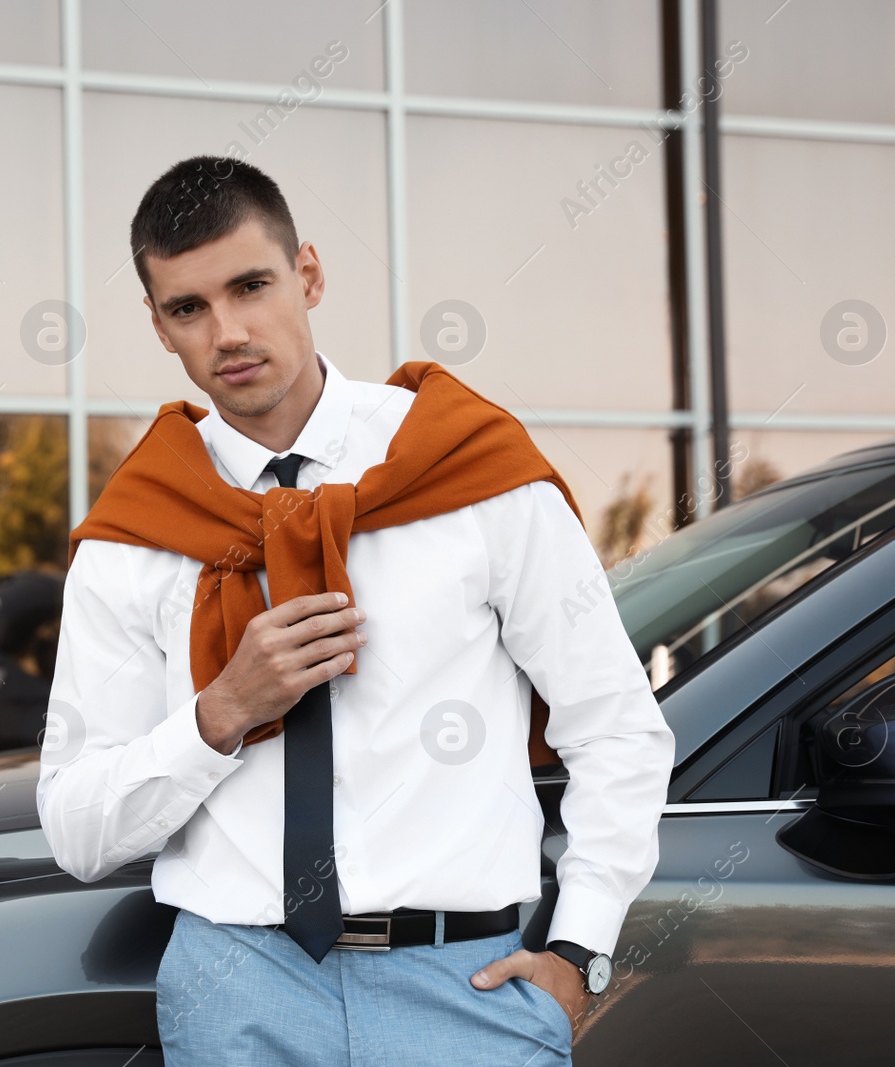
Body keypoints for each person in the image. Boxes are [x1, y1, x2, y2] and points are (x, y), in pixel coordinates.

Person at [36, 155, 675, 1065]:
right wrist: (221, 712)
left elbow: (615, 726)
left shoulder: (466, 469)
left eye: (251, 286)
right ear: (159, 325)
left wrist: (579, 948)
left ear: (308, 274)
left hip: (466, 989)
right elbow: (77, 827)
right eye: (189, 308)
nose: (228, 331)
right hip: (238, 994)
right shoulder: (137, 531)